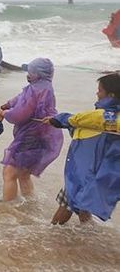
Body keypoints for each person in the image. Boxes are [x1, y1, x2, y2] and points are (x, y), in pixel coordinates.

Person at [45, 73, 120, 224]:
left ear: (110, 95)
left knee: (68, 201)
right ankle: (87, 234)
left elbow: (77, 119)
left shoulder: (106, 117)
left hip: (88, 171)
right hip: (101, 172)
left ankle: (51, 233)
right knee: (82, 201)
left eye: (100, 90)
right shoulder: (112, 118)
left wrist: (58, 120)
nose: (97, 93)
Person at [0, 58, 63, 201]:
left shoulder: (35, 89)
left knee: (9, 173)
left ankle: (8, 209)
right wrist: (7, 104)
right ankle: (31, 205)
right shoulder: (45, 86)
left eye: (31, 72)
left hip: (31, 135)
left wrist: (4, 113)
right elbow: (21, 98)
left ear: (37, 74)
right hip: (44, 135)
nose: (28, 74)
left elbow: (19, 115)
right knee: (24, 174)